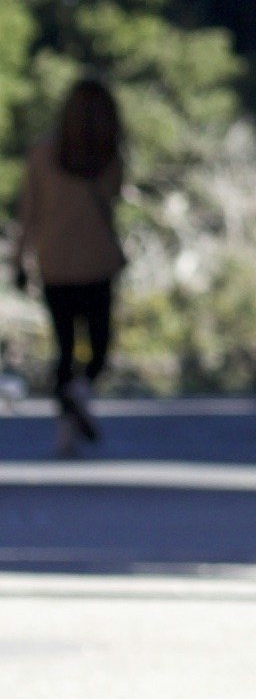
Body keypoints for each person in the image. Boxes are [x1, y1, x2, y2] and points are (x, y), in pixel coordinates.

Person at [15, 80, 126, 451]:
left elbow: (28, 213)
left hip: (55, 263)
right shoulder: (109, 156)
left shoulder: (42, 154)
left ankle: (66, 426)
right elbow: (113, 197)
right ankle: (78, 395)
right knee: (98, 346)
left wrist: (19, 260)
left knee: (64, 347)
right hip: (97, 261)